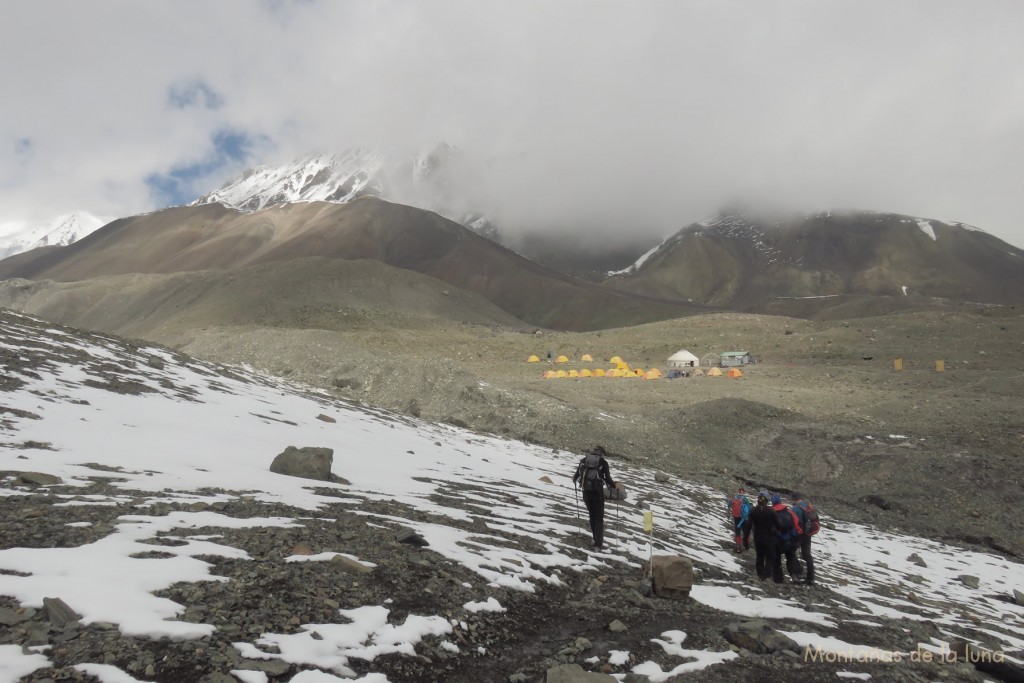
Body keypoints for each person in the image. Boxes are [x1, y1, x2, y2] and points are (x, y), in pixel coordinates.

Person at [572, 445, 616, 550]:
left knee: (592, 515)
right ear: (601, 453)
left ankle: (595, 540)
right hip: (598, 493)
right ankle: (598, 544)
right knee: (599, 519)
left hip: (586, 492)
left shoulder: (584, 460)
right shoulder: (603, 463)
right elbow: (608, 479)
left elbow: (575, 477)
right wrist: (614, 485)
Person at [771, 494, 803, 583]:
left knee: (776, 560)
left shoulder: (770, 512)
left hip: (776, 541)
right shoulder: (789, 512)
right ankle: (794, 577)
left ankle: (778, 579)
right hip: (789, 540)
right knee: (791, 557)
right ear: (780, 501)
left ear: (772, 502)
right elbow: (797, 526)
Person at [749, 491, 779, 580]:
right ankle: (767, 575)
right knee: (769, 557)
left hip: (757, 537)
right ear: (767, 500)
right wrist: (776, 532)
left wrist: (745, 538)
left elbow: (748, 525)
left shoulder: (753, 510)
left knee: (760, 556)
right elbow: (778, 524)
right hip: (769, 538)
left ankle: (760, 574)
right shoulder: (771, 511)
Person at [791, 492, 815, 585]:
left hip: (800, 535)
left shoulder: (795, 508)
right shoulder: (808, 505)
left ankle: (797, 571)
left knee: (791, 551)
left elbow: (794, 522)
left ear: (794, 499)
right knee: (807, 555)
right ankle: (811, 578)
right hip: (808, 534)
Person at [727, 488, 752, 552]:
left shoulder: (734, 499)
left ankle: (738, 545)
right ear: (744, 492)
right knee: (745, 531)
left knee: (737, 530)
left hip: (736, 517)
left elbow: (729, 506)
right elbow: (749, 508)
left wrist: (729, 501)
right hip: (744, 517)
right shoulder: (746, 499)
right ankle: (747, 545)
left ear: (738, 492)